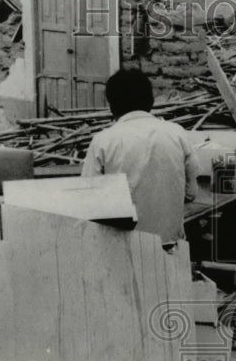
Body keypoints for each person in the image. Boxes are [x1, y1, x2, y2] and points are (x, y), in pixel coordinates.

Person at [82, 69, 198, 244]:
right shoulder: (178, 134)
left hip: (122, 251)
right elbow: (190, 194)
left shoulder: (103, 141)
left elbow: (90, 203)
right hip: (170, 248)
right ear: (150, 101)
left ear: (112, 106)